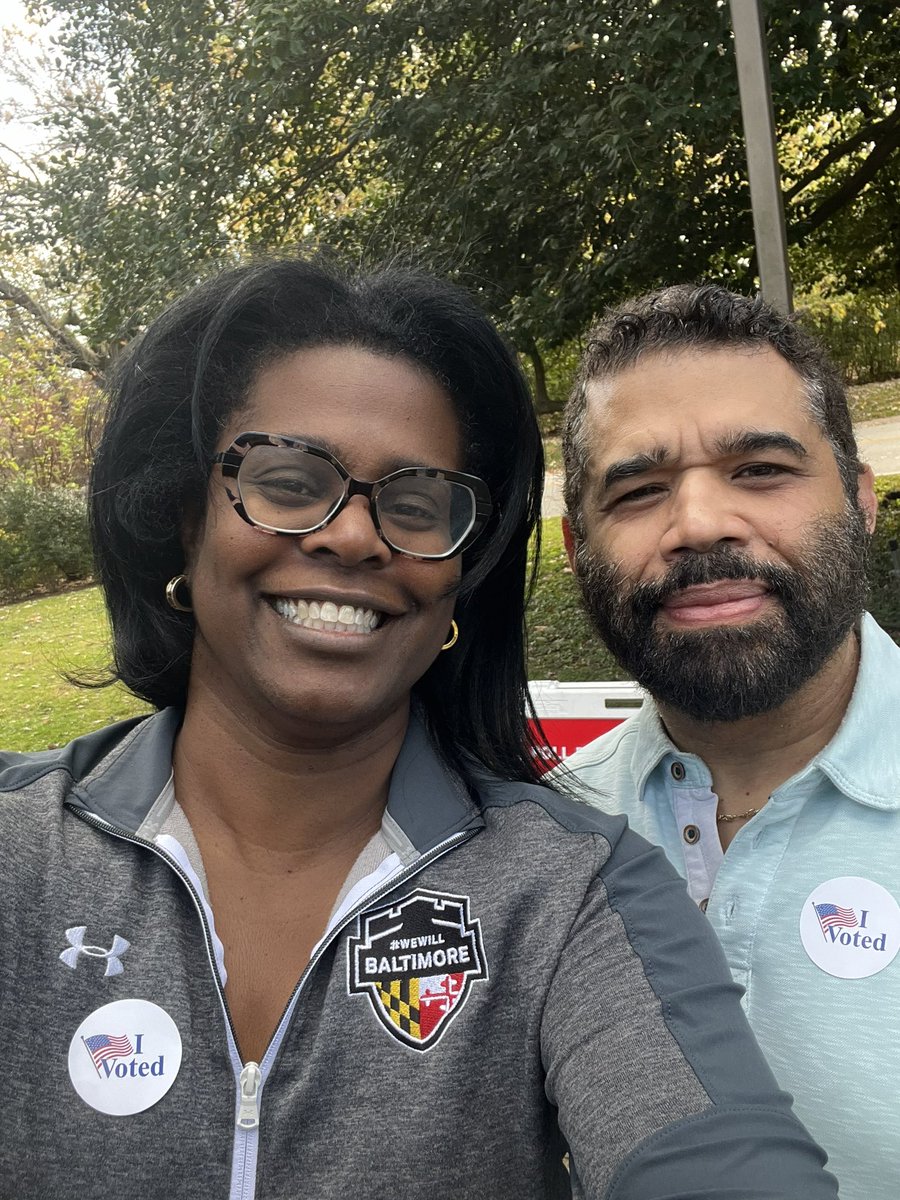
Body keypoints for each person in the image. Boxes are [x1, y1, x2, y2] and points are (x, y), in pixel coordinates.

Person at [0, 260, 838, 1200]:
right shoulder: (19, 849)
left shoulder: (571, 894)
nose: (354, 538)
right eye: (287, 480)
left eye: (414, 503)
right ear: (182, 520)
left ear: (456, 582)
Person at [560, 282, 898, 1200]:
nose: (701, 523)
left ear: (861, 502)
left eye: (761, 470)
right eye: (638, 490)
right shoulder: (546, 836)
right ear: (573, 547)